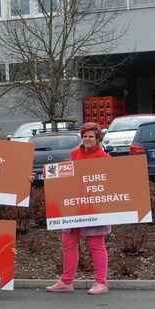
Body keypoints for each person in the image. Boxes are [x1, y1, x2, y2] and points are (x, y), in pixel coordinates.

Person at [46, 122, 111, 295]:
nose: (87, 139)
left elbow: (107, 182)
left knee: (96, 244)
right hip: (74, 206)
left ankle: (101, 283)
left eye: (91, 136)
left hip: (94, 207)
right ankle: (66, 282)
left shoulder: (104, 157)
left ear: (97, 139)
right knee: (68, 243)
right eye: (85, 136)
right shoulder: (74, 154)